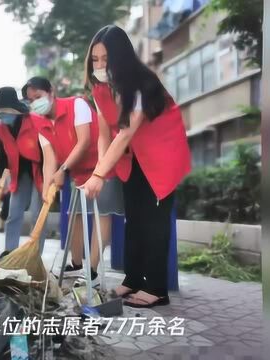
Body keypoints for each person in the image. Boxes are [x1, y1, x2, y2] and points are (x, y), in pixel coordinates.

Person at [82, 26, 190, 308]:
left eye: (106, 58)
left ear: (121, 57)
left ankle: (156, 289)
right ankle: (132, 280)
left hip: (161, 156)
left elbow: (126, 132)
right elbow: (106, 134)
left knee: (154, 223)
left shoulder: (141, 82)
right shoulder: (99, 88)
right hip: (134, 159)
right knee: (135, 221)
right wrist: (101, 171)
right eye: (95, 59)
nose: (100, 65)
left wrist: (98, 173)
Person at [23, 77, 124, 287]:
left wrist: (63, 170)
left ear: (51, 91)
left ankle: (93, 271)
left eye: (38, 97)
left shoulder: (76, 105)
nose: (35, 103)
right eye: (30, 100)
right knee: (75, 216)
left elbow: (84, 141)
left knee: (101, 215)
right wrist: (47, 186)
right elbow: (48, 157)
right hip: (77, 171)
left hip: (102, 166)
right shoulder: (38, 120)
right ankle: (76, 264)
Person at [0, 87, 47, 257]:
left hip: (40, 171)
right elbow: (2, 157)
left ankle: (34, 254)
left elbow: (47, 152)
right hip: (18, 173)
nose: (3, 117)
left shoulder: (35, 122)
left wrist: (49, 179)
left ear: (15, 110)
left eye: (5, 112)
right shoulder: (0, 129)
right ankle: (9, 252)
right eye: (0, 114)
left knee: (39, 215)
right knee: (13, 213)